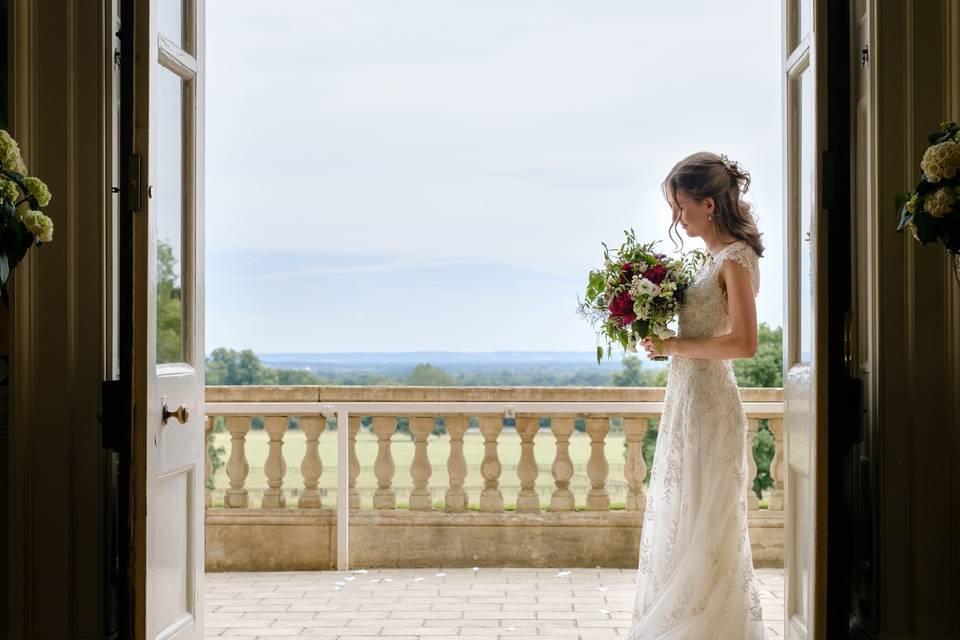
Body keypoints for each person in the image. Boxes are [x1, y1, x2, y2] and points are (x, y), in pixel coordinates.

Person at [628, 151, 768, 639]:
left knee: (709, 516)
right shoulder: (707, 260)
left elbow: (744, 344)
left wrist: (672, 345)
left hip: (711, 402)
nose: (677, 218)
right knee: (685, 508)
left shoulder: (735, 260)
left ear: (708, 204)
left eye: (681, 207)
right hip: (686, 396)